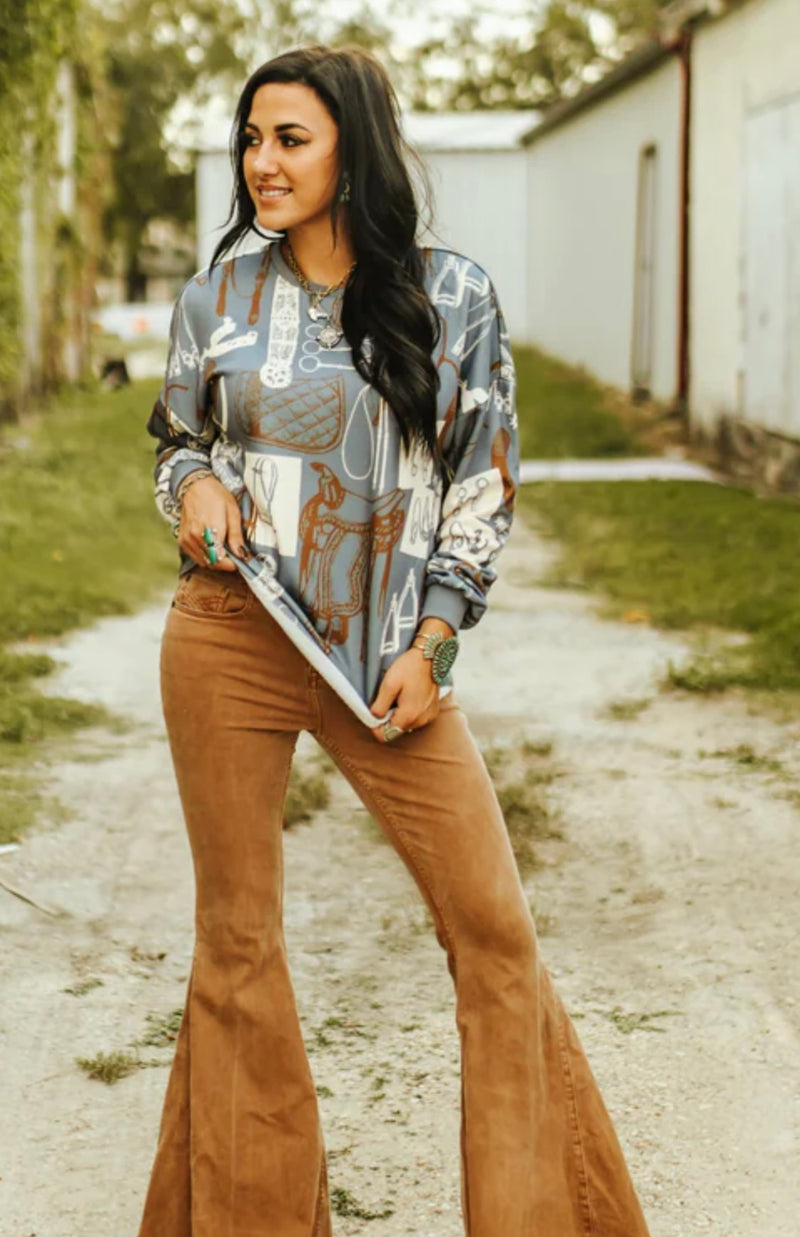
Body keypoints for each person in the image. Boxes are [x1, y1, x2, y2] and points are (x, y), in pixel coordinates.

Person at [136, 43, 651, 1237]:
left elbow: (483, 480)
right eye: (250, 140)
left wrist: (434, 640)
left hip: (384, 658)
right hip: (230, 633)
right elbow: (178, 438)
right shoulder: (216, 297)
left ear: (351, 149)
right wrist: (192, 485)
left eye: (290, 139)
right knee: (236, 947)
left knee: (493, 934)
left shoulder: (448, 294)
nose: (261, 163)